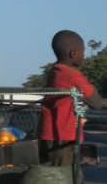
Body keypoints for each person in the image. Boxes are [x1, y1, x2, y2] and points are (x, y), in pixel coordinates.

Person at [36, 30, 103, 165]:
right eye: (83, 51)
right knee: (63, 179)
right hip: (62, 137)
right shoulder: (72, 75)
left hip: (48, 133)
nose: (84, 56)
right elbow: (96, 102)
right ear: (73, 53)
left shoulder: (55, 71)